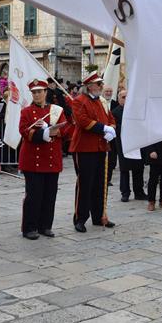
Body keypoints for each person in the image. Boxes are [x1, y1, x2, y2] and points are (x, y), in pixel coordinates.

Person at [18, 78, 71, 240]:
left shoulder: (56, 110)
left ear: (46, 92)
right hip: (33, 159)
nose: (37, 94)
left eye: (39, 91)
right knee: (34, 195)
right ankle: (29, 227)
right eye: (34, 92)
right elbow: (24, 131)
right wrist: (45, 133)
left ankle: (45, 225)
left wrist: (54, 131)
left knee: (49, 195)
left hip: (51, 158)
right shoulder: (26, 111)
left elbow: (66, 129)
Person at [70, 71, 116, 232]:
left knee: (100, 184)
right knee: (85, 184)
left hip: (101, 147)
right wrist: (103, 128)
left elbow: (110, 118)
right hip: (84, 148)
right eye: (99, 84)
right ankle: (80, 218)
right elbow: (82, 121)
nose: (101, 86)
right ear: (89, 86)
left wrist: (112, 129)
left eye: (101, 84)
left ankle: (99, 216)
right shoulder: (79, 101)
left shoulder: (102, 101)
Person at [112, 89, 146, 202]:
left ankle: (139, 192)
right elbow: (115, 127)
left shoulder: (136, 111)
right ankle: (125, 193)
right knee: (125, 169)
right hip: (123, 144)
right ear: (118, 99)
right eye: (123, 97)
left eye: (127, 97)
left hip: (136, 142)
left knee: (138, 168)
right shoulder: (115, 112)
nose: (125, 99)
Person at [142, 137, 162, 211]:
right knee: (153, 179)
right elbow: (148, 135)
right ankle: (151, 201)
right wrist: (151, 150)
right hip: (155, 151)